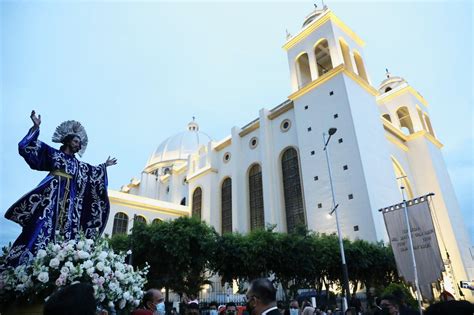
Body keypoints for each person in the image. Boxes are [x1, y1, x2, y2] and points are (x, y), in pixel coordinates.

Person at [3, 111, 117, 268]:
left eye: (79, 143)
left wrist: (104, 166)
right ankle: (27, 263)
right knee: (42, 226)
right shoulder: (53, 154)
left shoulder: (79, 165)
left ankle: (62, 262)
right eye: (76, 141)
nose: (78, 145)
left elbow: (91, 173)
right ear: (68, 141)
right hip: (52, 196)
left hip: (71, 204)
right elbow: (26, 147)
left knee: (70, 231)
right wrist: (35, 127)